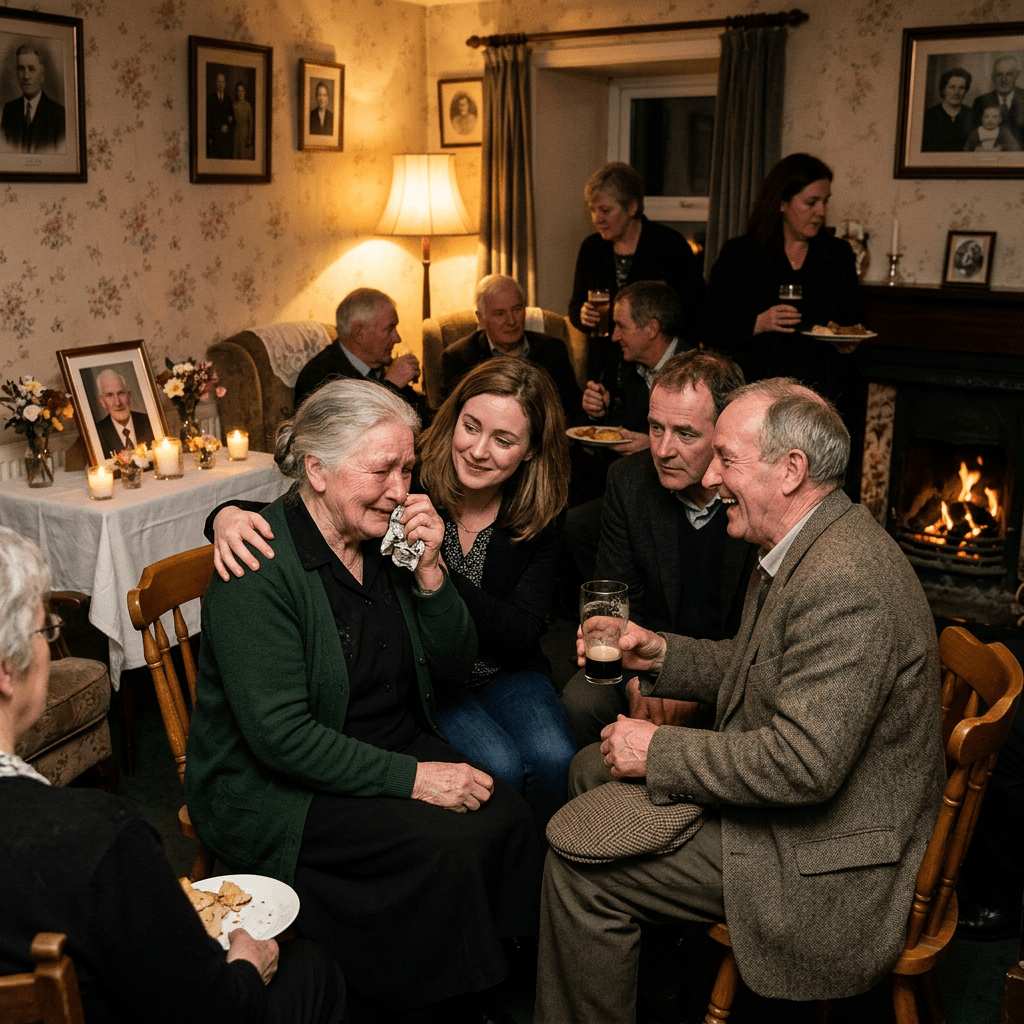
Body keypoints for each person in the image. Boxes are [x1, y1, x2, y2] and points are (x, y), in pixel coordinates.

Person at [534, 378, 945, 1023]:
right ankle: (654, 973)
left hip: (827, 860)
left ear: (790, 470)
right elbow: (751, 664)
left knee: (578, 873)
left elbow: (803, 764)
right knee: (592, 765)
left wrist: (661, 749)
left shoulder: (844, 582)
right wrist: (659, 653)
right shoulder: (802, 542)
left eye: (726, 457)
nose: (712, 475)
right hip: (804, 819)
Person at [184, 379, 541, 1019]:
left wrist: (433, 574)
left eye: (406, 467)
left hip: (381, 740)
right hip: (281, 785)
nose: (402, 488)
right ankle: (425, 998)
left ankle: (487, 984)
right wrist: (414, 779)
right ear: (317, 471)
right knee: (446, 849)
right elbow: (281, 738)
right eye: (382, 470)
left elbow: (456, 664)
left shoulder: (384, 540)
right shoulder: (260, 566)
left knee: (509, 813)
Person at [208, 359, 577, 840]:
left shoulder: (537, 511)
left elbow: (521, 631)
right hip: (430, 677)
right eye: (470, 427)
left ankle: (551, 868)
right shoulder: (410, 473)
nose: (479, 451)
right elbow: (317, 503)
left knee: (554, 756)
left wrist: (435, 566)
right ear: (453, 419)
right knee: (498, 767)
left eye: (504, 440)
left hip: (502, 667)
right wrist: (225, 513)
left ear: (530, 452)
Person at [0, 526, 347, 1024]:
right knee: (311, 972)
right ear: (5, 672)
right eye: (45, 631)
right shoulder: (95, 842)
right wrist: (248, 966)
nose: (48, 648)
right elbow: (216, 1010)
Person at [560, 349, 757, 749]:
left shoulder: (757, 495)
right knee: (581, 700)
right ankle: (612, 804)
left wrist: (693, 691)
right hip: (644, 662)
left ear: (725, 434)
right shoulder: (629, 481)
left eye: (685, 433)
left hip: (732, 669)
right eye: (654, 428)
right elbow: (616, 600)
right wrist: (638, 685)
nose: (663, 450)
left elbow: (760, 640)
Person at [703, 153, 863, 409]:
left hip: (820, 393)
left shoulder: (837, 254)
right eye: (811, 202)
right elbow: (709, 324)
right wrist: (759, 322)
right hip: (754, 390)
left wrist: (847, 343)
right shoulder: (741, 253)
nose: (821, 212)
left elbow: (853, 320)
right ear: (782, 202)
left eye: (825, 201)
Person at [562, 281, 694, 581]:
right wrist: (599, 409)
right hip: (633, 479)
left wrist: (653, 444)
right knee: (573, 523)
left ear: (651, 328)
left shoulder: (696, 368)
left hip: (684, 487)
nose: (614, 335)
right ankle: (611, 598)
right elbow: (613, 431)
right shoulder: (622, 365)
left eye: (621, 326)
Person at [568, 161, 705, 381]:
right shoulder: (591, 248)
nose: (597, 219)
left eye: (605, 210)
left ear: (632, 207)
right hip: (605, 366)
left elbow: (694, 310)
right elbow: (575, 306)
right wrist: (583, 315)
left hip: (660, 368)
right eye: (592, 210)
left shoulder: (669, 245)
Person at [439, 274, 581, 419]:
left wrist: (593, 411)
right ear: (481, 319)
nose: (511, 321)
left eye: (517, 309)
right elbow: (448, 420)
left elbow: (574, 410)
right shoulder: (458, 358)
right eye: (500, 313)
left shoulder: (553, 349)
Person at [293, 287, 424, 416]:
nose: (397, 338)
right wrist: (391, 386)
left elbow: (421, 414)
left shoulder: (378, 365)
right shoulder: (319, 378)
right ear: (359, 333)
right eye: (389, 329)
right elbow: (352, 430)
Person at [0, 44, 66, 154]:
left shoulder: (58, 114)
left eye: (31, 69)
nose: (25, 76)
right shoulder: (9, 110)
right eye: (21, 69)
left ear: (42, 75)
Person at [93, 367, 156, 457]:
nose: (118, 403)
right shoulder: (96, 434)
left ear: (129, 395)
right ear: (102, 401)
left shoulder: (150, 422)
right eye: (109, 395)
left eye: (121, 393)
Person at [971, 56, 1024, 145]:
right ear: (993, 77)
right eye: (999, 75)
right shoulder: (980, 102)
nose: (1004, 79)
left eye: (1009, 74)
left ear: (1017, 75)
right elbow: (975, 138)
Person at [921, 67, 973, 151]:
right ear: (943, 89)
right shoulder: (928, 116)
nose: (956, 92)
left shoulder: (972, 115)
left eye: (961, 88)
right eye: (952, 87)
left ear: (966, 91)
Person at [206, 72, 234, 159]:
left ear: (225, 84)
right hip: (214, 137)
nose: (221, 84)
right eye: (219, 82)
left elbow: (232, 119)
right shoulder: (210, 99)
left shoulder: (229, 100)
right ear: (216, 83)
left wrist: (227, 126)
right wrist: (210, 136)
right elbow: (208, 119)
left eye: (222, 82)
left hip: (225, 139)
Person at [232, 81, 254, 160]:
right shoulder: (234, 106)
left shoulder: (248, 106)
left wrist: (249, 138)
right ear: (236, 92)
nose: (240, 93)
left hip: (245, 134)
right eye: (238, 91)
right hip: (236, 134)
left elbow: (251, 123)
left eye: (242, 91)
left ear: (244, 92)